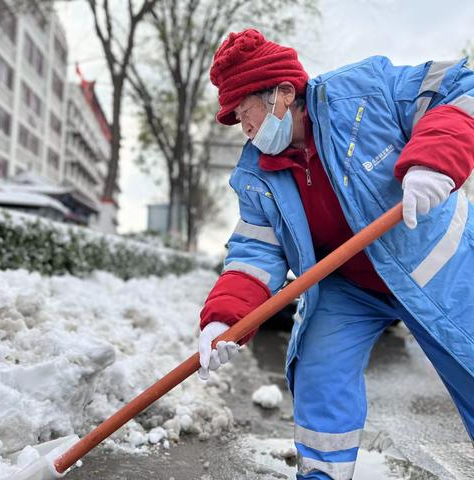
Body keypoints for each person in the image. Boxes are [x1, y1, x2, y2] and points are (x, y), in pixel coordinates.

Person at [197, 28, 474, 480]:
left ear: (283, 93)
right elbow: (254, 251)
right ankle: (322, 474)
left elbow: (461, 86)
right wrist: (224, 318)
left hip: (433, 263)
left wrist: (436, 159)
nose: (244, 128)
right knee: (319, 372)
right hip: (348, 287)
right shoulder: (255, 172)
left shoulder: (364, 93)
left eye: (244, 112)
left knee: (469, 363)